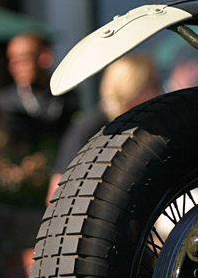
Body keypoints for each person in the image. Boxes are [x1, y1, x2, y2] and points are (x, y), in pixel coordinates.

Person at [48, 53, 162, 200]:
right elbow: (55, 194)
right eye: (154, 84)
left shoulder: (143, 126)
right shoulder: (91, 127)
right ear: (134, 86)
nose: (160, 91)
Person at [0, 32, 76, 160]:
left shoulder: (67, 96)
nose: (14, 67)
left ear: (45, 57)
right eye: (11, 60)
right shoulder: (6, 102)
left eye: (22, 59)